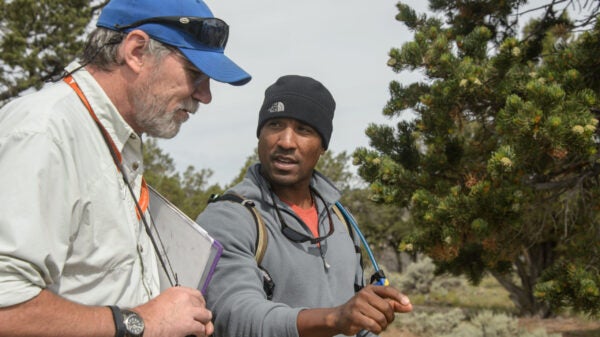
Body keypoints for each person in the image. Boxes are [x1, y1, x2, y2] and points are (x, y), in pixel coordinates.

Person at [0, 0, 250, 336]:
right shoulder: (45, 132)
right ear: (135, 51)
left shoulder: (115, 138)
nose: (205, 95)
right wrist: (143, 323)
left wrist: (171, 317)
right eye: (195, 73)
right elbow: (6, 308)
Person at [196, 75, 412, 337]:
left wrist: (363, 319)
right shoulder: (230, 217)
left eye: (304, 130)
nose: (286, 141)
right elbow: (235, 316)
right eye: (275, 124)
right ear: (260, 135)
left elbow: (354, 321)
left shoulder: (341, 220)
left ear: (322, 146)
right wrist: (334, 318)